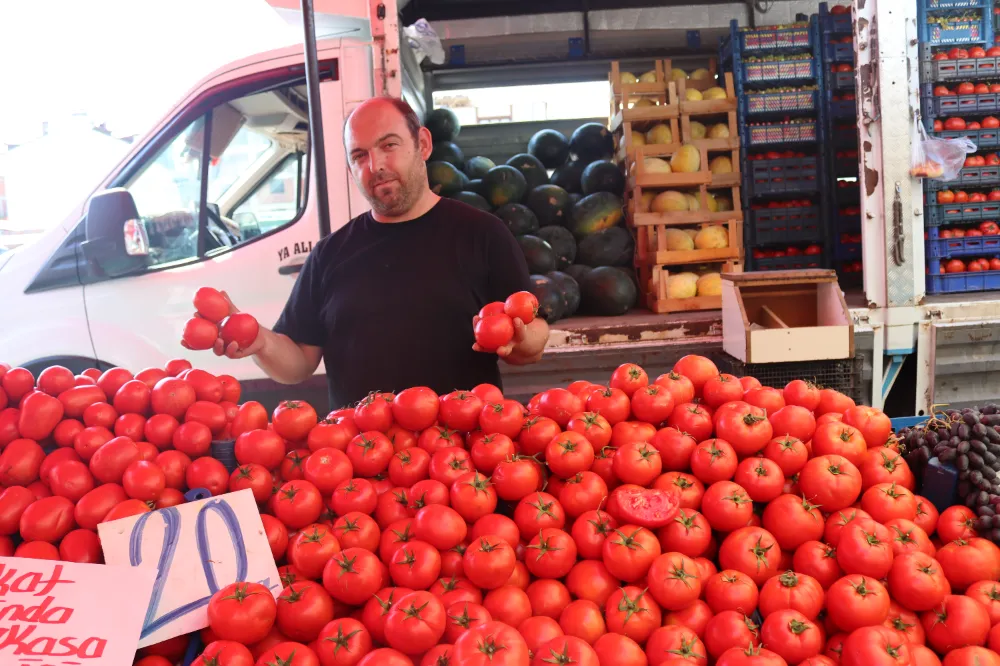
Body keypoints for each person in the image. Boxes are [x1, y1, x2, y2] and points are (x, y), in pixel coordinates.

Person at [212, 96, 549, 409]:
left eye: (389, 145)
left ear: (423, 144)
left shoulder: (483, 234)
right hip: (361, 458)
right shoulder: (330, 254)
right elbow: (298, 364)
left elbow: (532, 335)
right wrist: (259, 342)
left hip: (460, 456)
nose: (376, 165)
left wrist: (522, 339)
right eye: (360, 155)